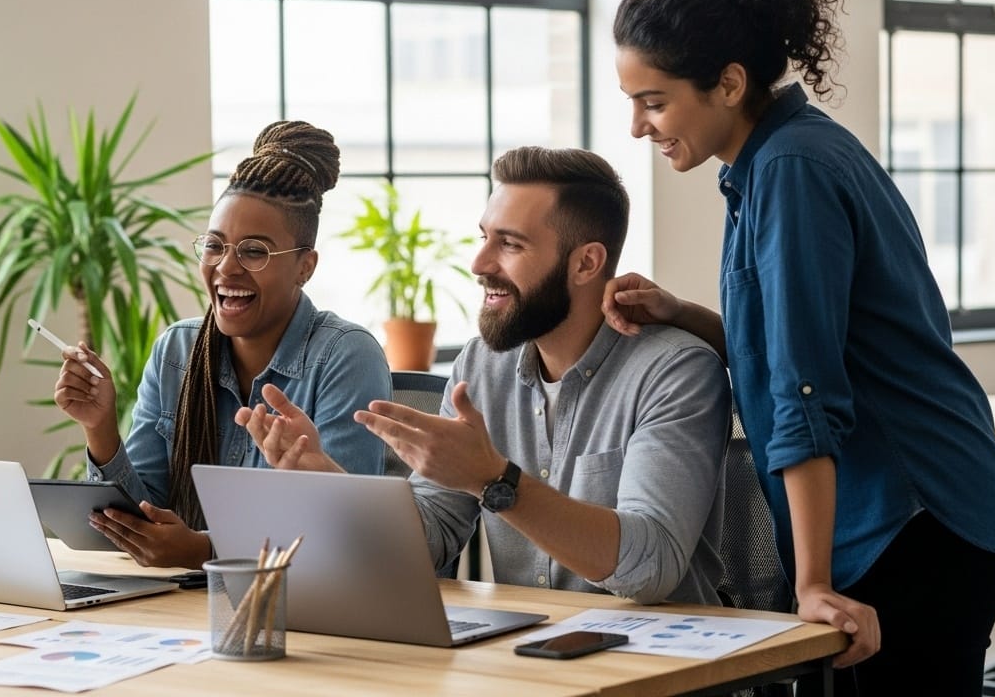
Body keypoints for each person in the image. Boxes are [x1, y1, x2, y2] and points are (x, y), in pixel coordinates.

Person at [605, 0, 995, 693]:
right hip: (921, 513)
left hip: (915, 520)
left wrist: (813, 585)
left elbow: (806, 389)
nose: (639, 127)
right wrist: (684, 313)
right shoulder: (775, 160)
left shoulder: (790, 172)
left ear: (727, 82)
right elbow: (798, 346)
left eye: (653, 102)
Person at [260, 146, 732, 606]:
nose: (480, 264)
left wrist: (494, 480)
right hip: (527, 659)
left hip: (661, 666)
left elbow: (651, 569)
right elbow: (432, 537)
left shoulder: (675, 371)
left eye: (509, 244)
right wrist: (331, 486)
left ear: (585, 263)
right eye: (484, 237)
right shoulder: (482, 365)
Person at [53, 120, 389, 570]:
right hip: (179, 610)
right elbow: (143, 519)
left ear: (305, 267)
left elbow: (350, 534)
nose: (226, 268)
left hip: (298, 609)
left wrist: (206, 550)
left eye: (254, 252)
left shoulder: (346, 357)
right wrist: (100, 429)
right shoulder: (177, 350)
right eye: (215, 246)